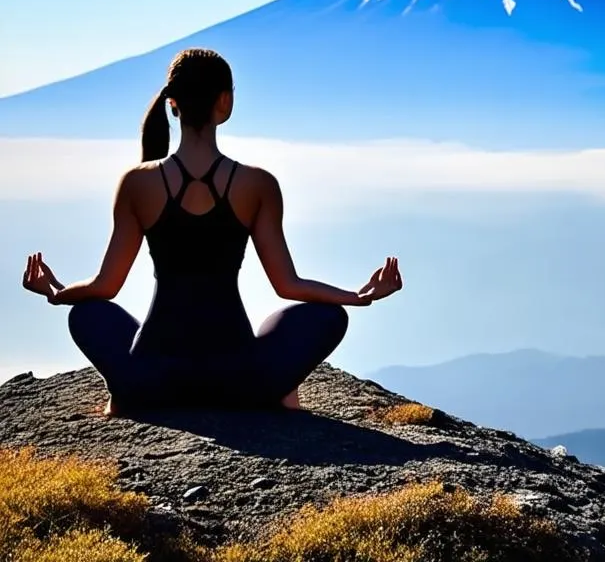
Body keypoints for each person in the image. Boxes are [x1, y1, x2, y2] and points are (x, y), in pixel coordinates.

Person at [21, 47, 402, 414]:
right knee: (328, 317)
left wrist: (55, 292)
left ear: (173, 105)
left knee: (86, 314)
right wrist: (357, 296)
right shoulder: (257, 185)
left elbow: (106, 287)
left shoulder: (138, 183)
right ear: (225, 102)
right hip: (238, 378)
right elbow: (288, 285)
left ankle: (123, 395)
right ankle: (279, 393)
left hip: (153, 376)